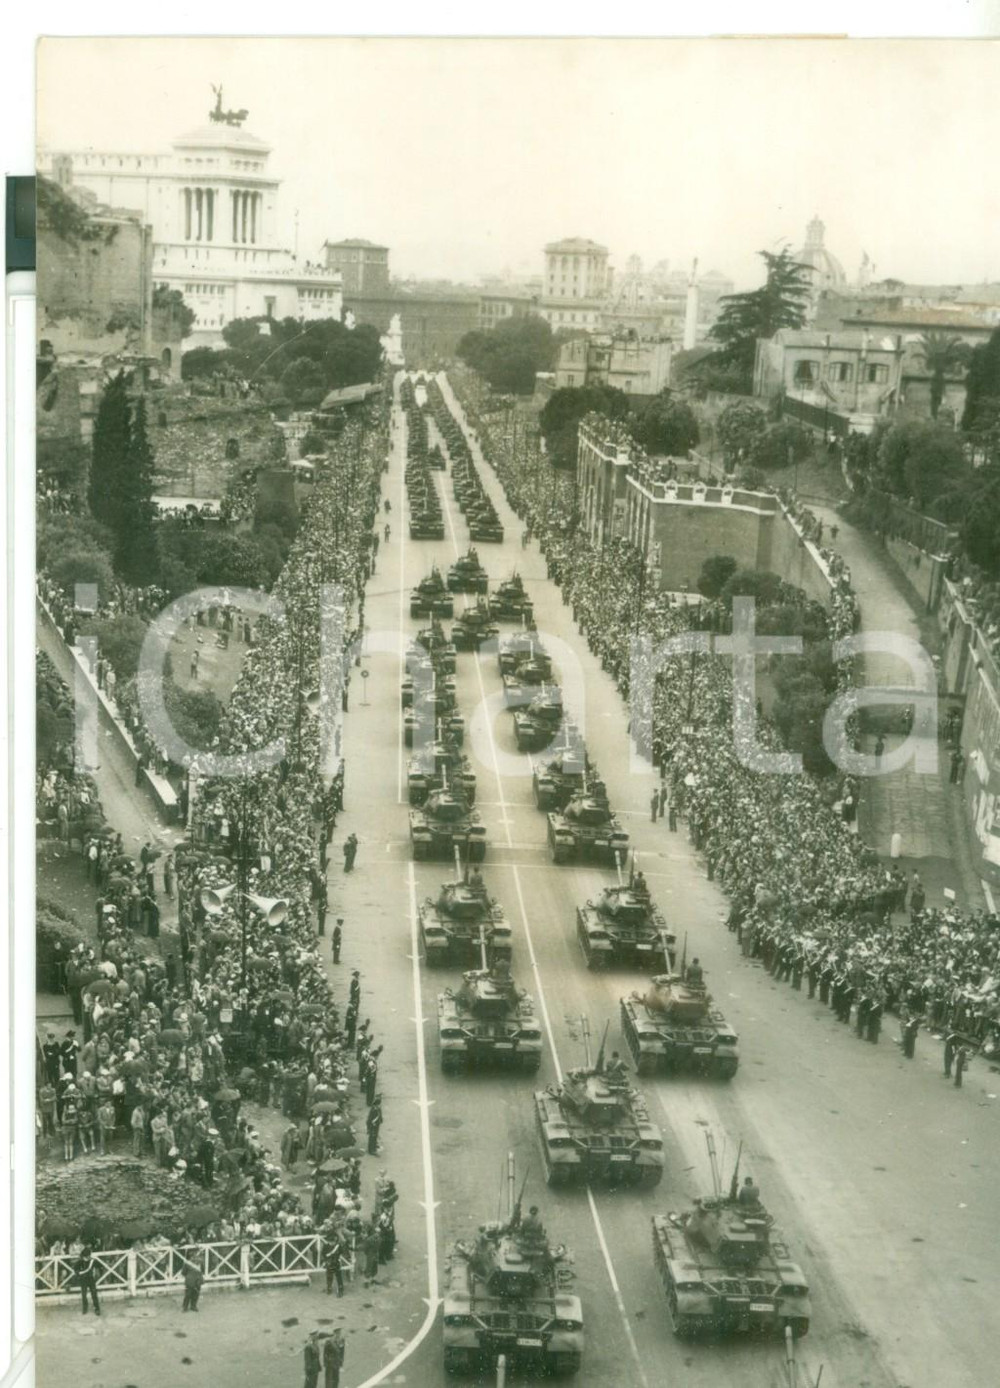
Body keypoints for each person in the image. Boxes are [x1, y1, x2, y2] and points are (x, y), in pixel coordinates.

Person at [73, 1246, 101, 1316]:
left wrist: (97, 1273)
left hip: (91, 1279)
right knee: (84, 1295)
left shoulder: (92, 1261)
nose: (89, 1256)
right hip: (83, 1280)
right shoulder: (80, 1261)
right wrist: (79, 1273)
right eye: (88, 1255)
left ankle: (97, 1308)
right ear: (85, 1255)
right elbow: (75, 1269)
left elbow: (99, 1266)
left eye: (89, 1255)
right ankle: (85, 1308)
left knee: (94, 1294)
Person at [324, 1233, 347, 1297]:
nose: (332, 1243)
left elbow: (342, 1252)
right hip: (329, 1263)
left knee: (339, 1277)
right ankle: (329, 1288)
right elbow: (324, 1254)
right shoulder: (326, 1246)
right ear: (328, 1241)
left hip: (336, 1263)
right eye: (330, 1241)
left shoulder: (338, 1246)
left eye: (333, 1241)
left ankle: (340, 1290)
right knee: (329, 1276)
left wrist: (339, 1257)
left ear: (335, 1241)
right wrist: (325, 1261)